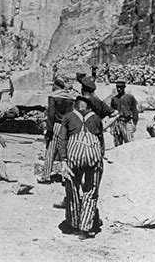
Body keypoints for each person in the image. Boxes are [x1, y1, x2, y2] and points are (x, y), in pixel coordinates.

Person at [57, 96, 104, 240]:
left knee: (73, 189)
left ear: (75, 107)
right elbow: (101, 141)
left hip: (74, 155)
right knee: (91, 190)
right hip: (93, 156)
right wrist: (99, 158)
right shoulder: (96, 118)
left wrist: (63, 161)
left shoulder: (68, 117)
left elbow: (62, 139)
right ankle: (85, 228)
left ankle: (74, 224)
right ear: (88, 108)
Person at [38, 77, 75, 184]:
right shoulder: (70, 97)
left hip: (57, 125)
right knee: (66, 151)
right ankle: (65, 177)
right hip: (67, 126)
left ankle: (46, 176)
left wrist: (48, 130)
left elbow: (51, 115)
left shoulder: (54, 97)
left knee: (51, 150)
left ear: (55, 86)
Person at [110, 81, 138, 145]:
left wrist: (135, 123)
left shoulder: (130, 97)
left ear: (124, 87)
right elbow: (111, 112)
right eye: (118, 87)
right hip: (117, 122)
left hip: (127, 121)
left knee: (130, 143)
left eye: (121, 87)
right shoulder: (114, 99)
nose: (119, 89)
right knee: (117, 143)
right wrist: (112, 126)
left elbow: (135, 110)